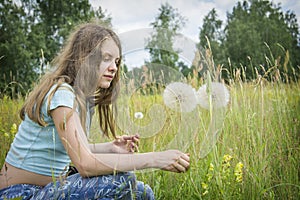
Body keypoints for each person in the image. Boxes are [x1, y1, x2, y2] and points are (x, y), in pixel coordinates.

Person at [0, 22, 190, 200]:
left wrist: (110, 148)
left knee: (142, 192)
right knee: (122, 180)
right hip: (20, 193)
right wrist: (156, 159)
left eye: (116, 61)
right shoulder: (62, 94)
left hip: (48, 187)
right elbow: (84, 164)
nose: (114, 67)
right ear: (85, 58)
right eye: (106, 59)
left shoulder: (80, 98)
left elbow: (74, 149)